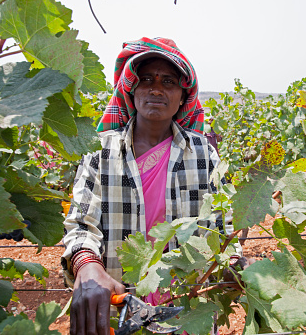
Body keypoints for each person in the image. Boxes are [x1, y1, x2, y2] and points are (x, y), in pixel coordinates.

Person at [61, 37, 237, 335]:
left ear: (183, 96)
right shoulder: (99, 152)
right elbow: (80, 225)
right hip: (119, 308)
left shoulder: (203, 153)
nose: (156, 88)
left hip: (187, 306)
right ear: (132, 91)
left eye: (168, 81)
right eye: (146, 80)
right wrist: (88, 266)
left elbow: (221, 226)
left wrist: (232, 262)